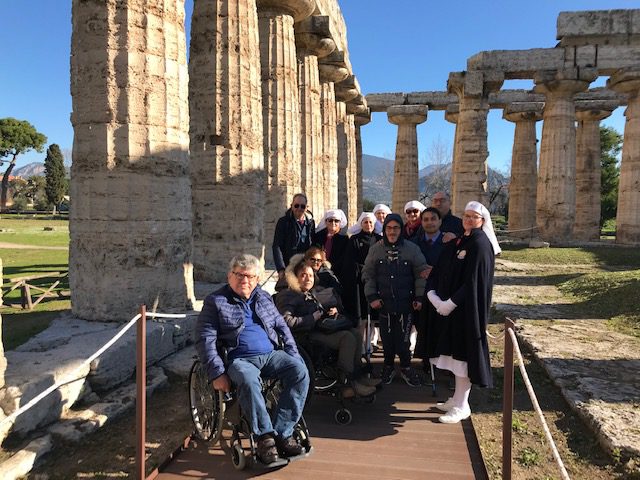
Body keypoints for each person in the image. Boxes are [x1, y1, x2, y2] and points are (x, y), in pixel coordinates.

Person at [195, 254, 309, 465]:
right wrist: (217, 373)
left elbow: (282, 328)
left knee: (300, 371)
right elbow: (205, 340)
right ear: (230, 276)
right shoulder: (216, 301)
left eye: (249, 276)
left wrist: (293, 354)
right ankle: (265, 438)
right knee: (247, 380)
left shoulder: (263, 297)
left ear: (257, 279)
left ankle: (283, 433)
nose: (244, 281)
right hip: (240, 359)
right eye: (239, 275)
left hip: (271, 355)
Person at [421, 201, 501, 424]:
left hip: (466, 310)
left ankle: (463, 405)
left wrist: (451, 303)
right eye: (465, 215)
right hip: (451, 310)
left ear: (482, 220)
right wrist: (434, 295)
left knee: (463, 358)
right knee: (454, 355)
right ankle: (456, 399)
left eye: (473, 216)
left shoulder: (480, 243)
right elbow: (443, 268)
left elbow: (473, 281)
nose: (468, 219)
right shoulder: (461, 240)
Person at [274, 258, 379, 397]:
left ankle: (359, 377)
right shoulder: (287, 295)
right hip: (303, 336)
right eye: (303, 275)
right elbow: (286, 321)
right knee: (347, 338)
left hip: (316, 329)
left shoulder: (308, 293)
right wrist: (313, 317)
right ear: (295, 277)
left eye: (311, 275)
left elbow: (316, 312)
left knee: (356, 334)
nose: (308, 279)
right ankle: (348, 384)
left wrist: (329, 312)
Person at [362, 213, 428, 387]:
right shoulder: (376, 249)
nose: (392, 231)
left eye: (396, 228)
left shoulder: (411, 249)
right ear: (384, 229)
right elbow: (368, 274)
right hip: (384, 303)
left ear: (401, 229)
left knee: (404, 341)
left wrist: (419, 297)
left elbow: (421, 274)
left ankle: (406, 367)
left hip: (406, 303)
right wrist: (372, 297)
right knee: (387, 338)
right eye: (389, 228)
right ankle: (388, 366)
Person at [272, 193, 315, 278]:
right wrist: (281, 268)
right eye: (296, 205)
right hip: (289, 265)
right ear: (291, 206)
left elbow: (313, 244)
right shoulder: (283, 222)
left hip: (305, 265)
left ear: (306, 208)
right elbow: (277, 246)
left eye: (302, 206)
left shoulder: (311, 223)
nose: (299, 208)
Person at [313, 209, 349, 283]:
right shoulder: (318, 236)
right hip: (318, 272)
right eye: (330, 220)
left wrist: (330, 268)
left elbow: (344, 258)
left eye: (336, 221)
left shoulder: (344, 239)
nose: (333, 223)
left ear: (340, 223)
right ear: (326, 222)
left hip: (337, 275)